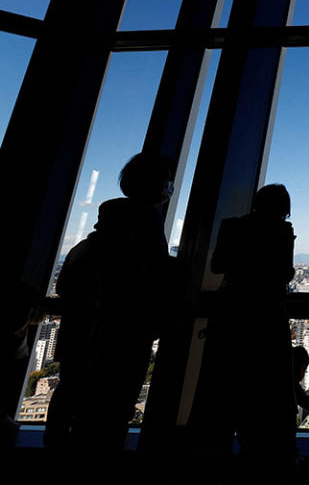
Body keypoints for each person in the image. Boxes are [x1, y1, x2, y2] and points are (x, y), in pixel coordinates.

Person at [47, 152, 176, 456]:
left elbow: (67, 287)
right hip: (122, 340)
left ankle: (57, 455)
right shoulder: (145, 235)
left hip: (83, 337)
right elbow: (150, 282)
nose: (170, 188)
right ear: (158, 185)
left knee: (71, 398)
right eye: (168, 181)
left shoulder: (92, 243)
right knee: (111, 410)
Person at [208, 183, 297, 473]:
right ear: (283, 209)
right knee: (275, 383)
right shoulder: (281, 232)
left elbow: (218, 265)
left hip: (230, 310)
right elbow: (285, 272)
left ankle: (220, 454)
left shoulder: (231, 226)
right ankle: (274, 453)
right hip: (267, 312)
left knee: (229, 382)